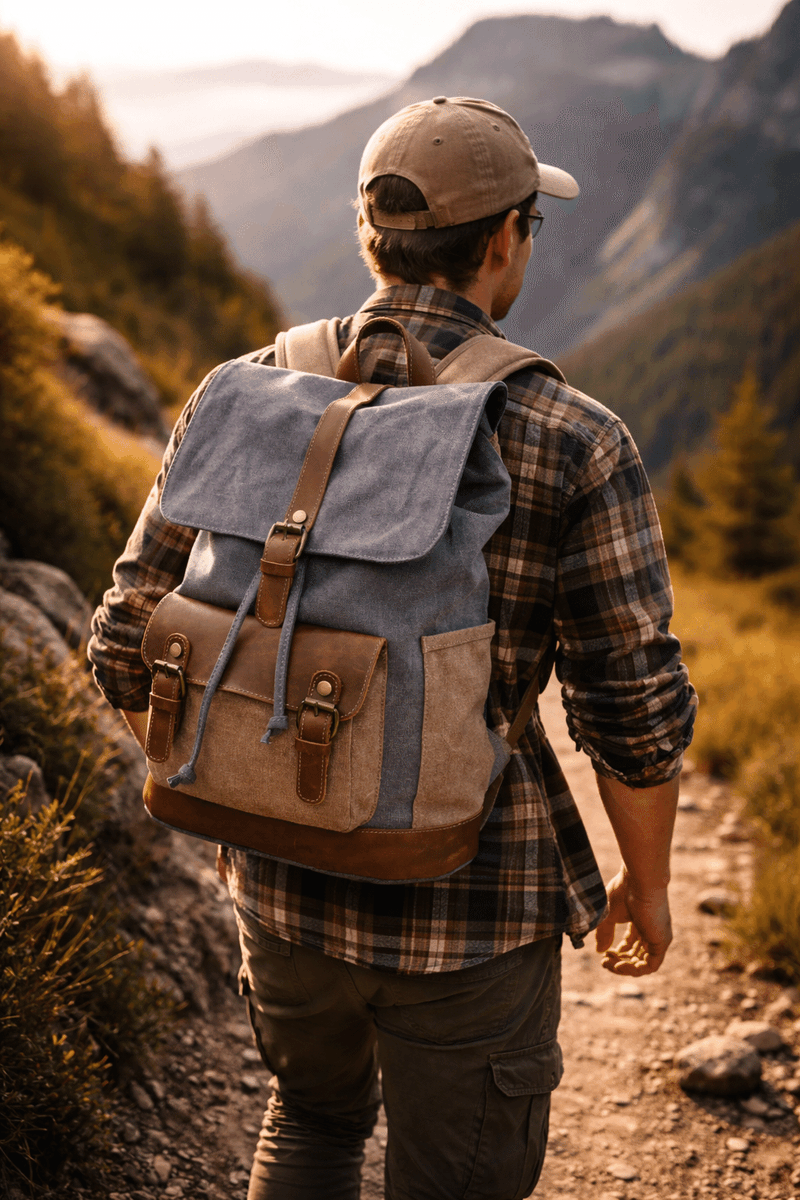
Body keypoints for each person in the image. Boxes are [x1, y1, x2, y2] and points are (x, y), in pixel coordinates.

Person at [88, 96, 696, 1200]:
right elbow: (632, 705)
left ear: (373, 234)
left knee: (313, 1123)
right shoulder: (570, 435)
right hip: (468, 899)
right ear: (504, 239)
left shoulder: (242, 393)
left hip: (275, 887)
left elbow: (121, 635)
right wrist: (642, 887)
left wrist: (244, 776)